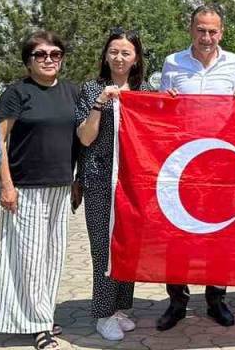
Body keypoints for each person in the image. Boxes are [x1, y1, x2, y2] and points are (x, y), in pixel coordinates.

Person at [156, 4, 235, 330]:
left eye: (212, 31)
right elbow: (162, 112)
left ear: (221, 32)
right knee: (177, 235)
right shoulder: (172, 62)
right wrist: (162, 99)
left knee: (219, 234)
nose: (206, 37)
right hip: (182, 165)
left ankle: (216, 299)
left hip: (220, 164)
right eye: (201, 30)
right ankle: (177, 301)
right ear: (191, 29)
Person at [0, 31, 81, 349]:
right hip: (25, 187)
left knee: (52, 257)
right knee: (29, 258)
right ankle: (39, 325)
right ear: (28, 60)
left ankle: (42, 314)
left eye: (55, 54)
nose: (48, 60)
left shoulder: (72, 91)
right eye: (40, 54)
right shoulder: (16, 93)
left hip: (60, 185)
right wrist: (6, 185)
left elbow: (81, 139)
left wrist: (77, 180)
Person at [75, 28, 146, 341]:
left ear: (136, 58)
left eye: (126, 52)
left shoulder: (144, 90)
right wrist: (100, 104)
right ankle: (102, 314)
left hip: (134, 183)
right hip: (100, 179)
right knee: (104, 248)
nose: (119, 57)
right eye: (114, 51)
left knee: (129, 246)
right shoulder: (92, 89)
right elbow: (85, 137)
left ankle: (120, 307)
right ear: (105, 55)